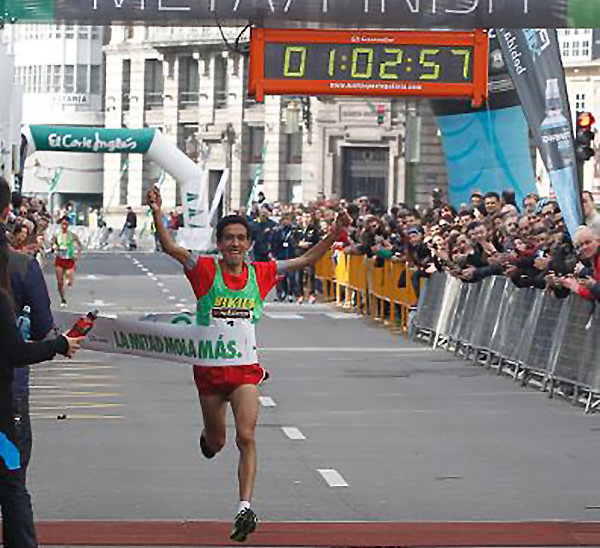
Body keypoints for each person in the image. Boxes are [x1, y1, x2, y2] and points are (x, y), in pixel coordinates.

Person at [147, 185, 350, 543]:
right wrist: (157, 212)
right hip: (209, 371)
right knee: (219, 441)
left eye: (241, 238)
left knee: (247, 435)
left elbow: (304, 261)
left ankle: (244, 507)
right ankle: (209, 439)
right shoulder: (204, 269)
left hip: (244, 370)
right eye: (228, 238)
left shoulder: (261, 272)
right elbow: (171, 248)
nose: (235, 244)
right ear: (220, 242)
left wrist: (334, 233)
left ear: (249, 243)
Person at [0, 224, 82, 548]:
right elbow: (28, 342)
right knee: (12, 478)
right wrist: (59, 345)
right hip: (7, 405)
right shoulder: (18, 271)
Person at [51, 216, 83, 307]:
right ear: (60, 224)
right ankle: (63, 299)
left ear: (68, 225)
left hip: (69, 259)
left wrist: (77, 255)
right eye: (63, 224)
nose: (64, 226)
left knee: (70, 280)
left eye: (66, 224)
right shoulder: (57, 235)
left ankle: (68, 279)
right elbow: (52, 243)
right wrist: (54, 247)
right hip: (60, 259)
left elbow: (80, 245)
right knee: (60, 282)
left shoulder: (72, 235)